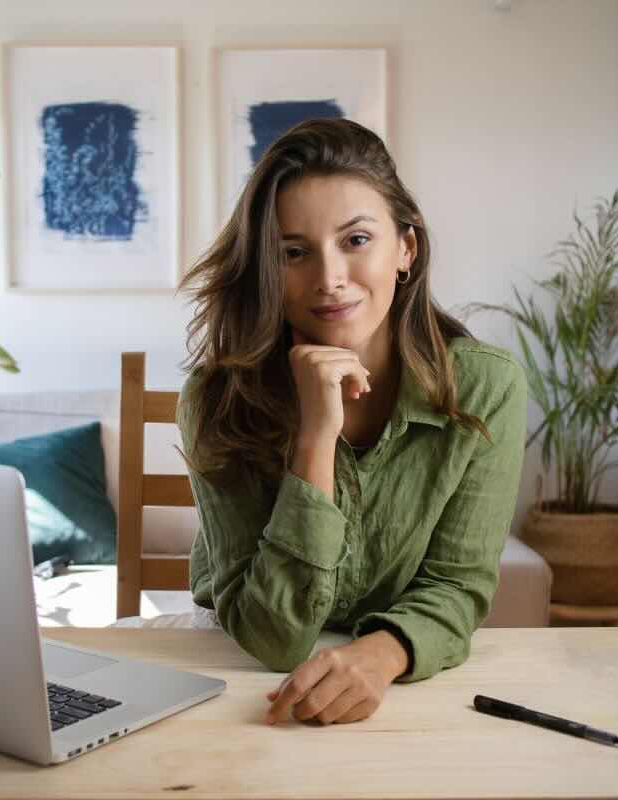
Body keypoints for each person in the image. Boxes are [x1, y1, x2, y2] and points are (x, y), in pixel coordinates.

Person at [176, 118, 527, 726]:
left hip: (407, 689)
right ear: (266, 267)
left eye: (356, 240)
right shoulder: (217, 398)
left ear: (406, 249)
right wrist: (315, 435)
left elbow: (458, 586)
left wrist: (381, 655)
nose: (330, 278)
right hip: (240, 686)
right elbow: (272, 638)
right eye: (294, 253)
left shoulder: (485, 387)